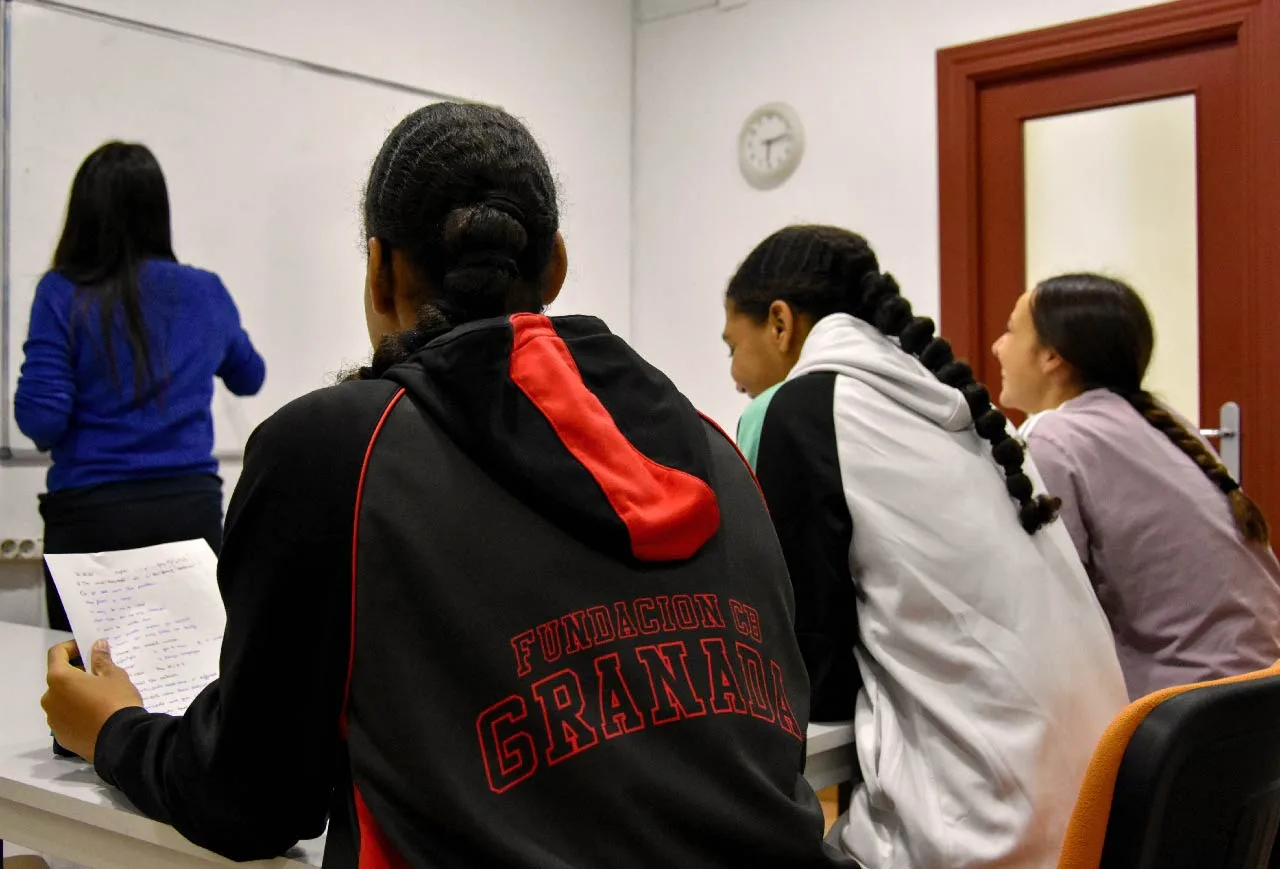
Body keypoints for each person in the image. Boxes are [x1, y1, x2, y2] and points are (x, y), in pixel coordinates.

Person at [40, 104, 852, 869]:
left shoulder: (332, 451)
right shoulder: (717, 451)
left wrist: (114, 729)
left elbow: (252, 799)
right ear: (557, 265)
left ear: (380, 268)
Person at [723, 225, 1127, 869]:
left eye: (732, 348)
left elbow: (809, 659)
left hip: (986, 828)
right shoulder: (950, 405)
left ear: (779, 323)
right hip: (1095, 802)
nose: (737, 377)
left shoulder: (809, 407)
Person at [14, 142, 265, 631]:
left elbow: (42, 419)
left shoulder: (61, 291)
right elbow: (249, 376)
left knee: (87, 688)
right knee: (191, 683)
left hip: (92, 518)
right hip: (188, 515)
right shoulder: (204, 290)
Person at [993, 273, 1280, 698]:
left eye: (1011, 330)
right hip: (1257, 693)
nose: (998, 346)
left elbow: (1042, 606)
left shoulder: (1054, 437)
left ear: (1052, 356)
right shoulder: (1164, 420)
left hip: (1178, 712)